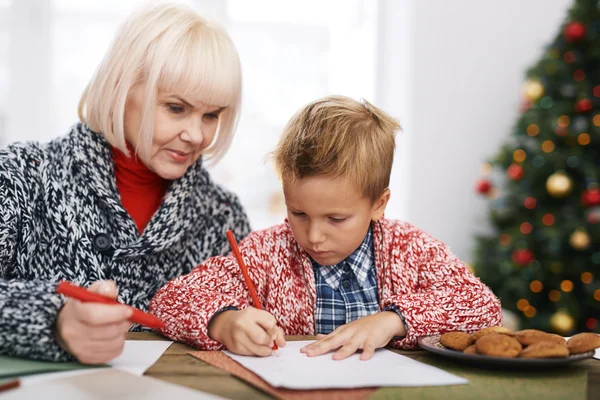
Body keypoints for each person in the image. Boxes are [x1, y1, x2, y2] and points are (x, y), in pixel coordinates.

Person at [149, 95, 502, 360]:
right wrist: (223, 322)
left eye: (336, 219)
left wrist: (393, 321)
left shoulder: (409, 248)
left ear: (378, 204)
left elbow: (482, 305)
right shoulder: (266, 252)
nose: (313, 236)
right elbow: (170, 300)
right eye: (298, 213)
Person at [0, 2, 250, 364]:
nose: (196, 135)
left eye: (211, 115)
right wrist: (53, 321)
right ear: (120, 87)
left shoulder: (223, 218)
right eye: (176, 108)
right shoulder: (22, 176)